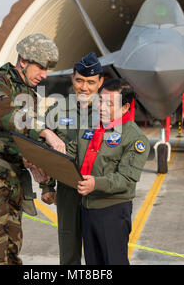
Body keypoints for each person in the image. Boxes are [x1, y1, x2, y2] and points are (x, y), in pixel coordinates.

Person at [0, 33, 65, 265]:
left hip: (13, 183)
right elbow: (6, 115)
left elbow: (30, 144)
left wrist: (47, 184)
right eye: (40, 67)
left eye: (47, 69)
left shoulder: (29, 95)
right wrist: (45, 132)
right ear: (23, 61)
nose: (44, 75)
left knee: (10, 252)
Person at [67, 78, 150, 265]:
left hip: (112, 212)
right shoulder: (89, 127)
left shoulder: (134, 138)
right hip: (87, 210)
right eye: (101, 101)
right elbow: (70, 154)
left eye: (109, 104)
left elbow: (126, 178)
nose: (101, 107)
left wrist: (96, 183)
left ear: (125, 108)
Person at [41, 52, 104, 265]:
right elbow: (45, 151)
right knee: (69, 250)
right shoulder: (57, 111)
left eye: (90, 82)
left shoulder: (109, 111)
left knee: (101, 251)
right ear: (72, 79)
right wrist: (47, 187)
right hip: (68, 190)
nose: (84, 87)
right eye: (80, 81)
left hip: (99, 191)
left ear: (100, 82)